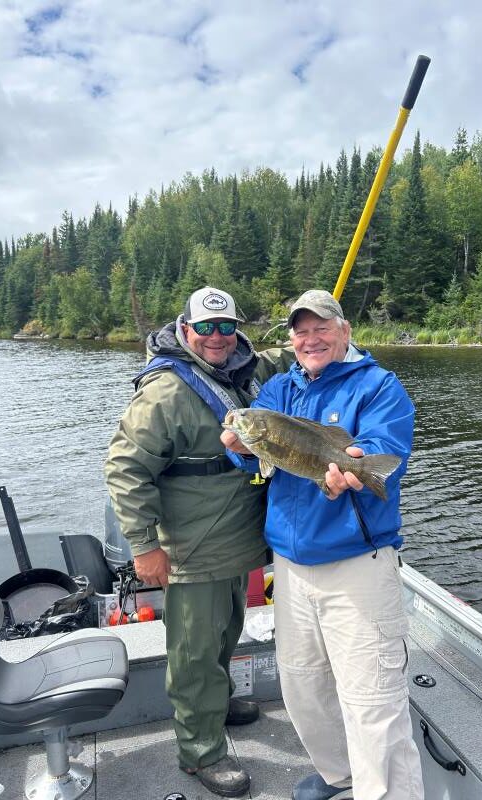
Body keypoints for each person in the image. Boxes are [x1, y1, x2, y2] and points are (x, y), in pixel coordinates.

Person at [221, 289, 424, 800]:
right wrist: (239, 445)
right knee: (302, 685)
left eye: (321, 328)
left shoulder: (379, 386)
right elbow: (257, 457)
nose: (310, 339)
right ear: (290, 340)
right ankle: (341, 776)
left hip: (357, 564)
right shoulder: (280, 390)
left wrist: (358, 463)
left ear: (345, 330)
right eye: (301, 331)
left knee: (371, 699)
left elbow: (384, 448)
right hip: (290, 566)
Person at [105, 286, 292, 798]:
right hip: (193, 547)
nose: (216, 338)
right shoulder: (165, 392)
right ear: (185, 329)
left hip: (238, 539)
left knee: (228, 630)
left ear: (238, 329)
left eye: (225, 326)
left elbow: (288, 366)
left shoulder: (245, 373)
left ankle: (219, 703)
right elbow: (124, 469)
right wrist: (144, 546)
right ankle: (200, 749)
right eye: (204, 328)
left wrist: (319, 342)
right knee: (194, 653)